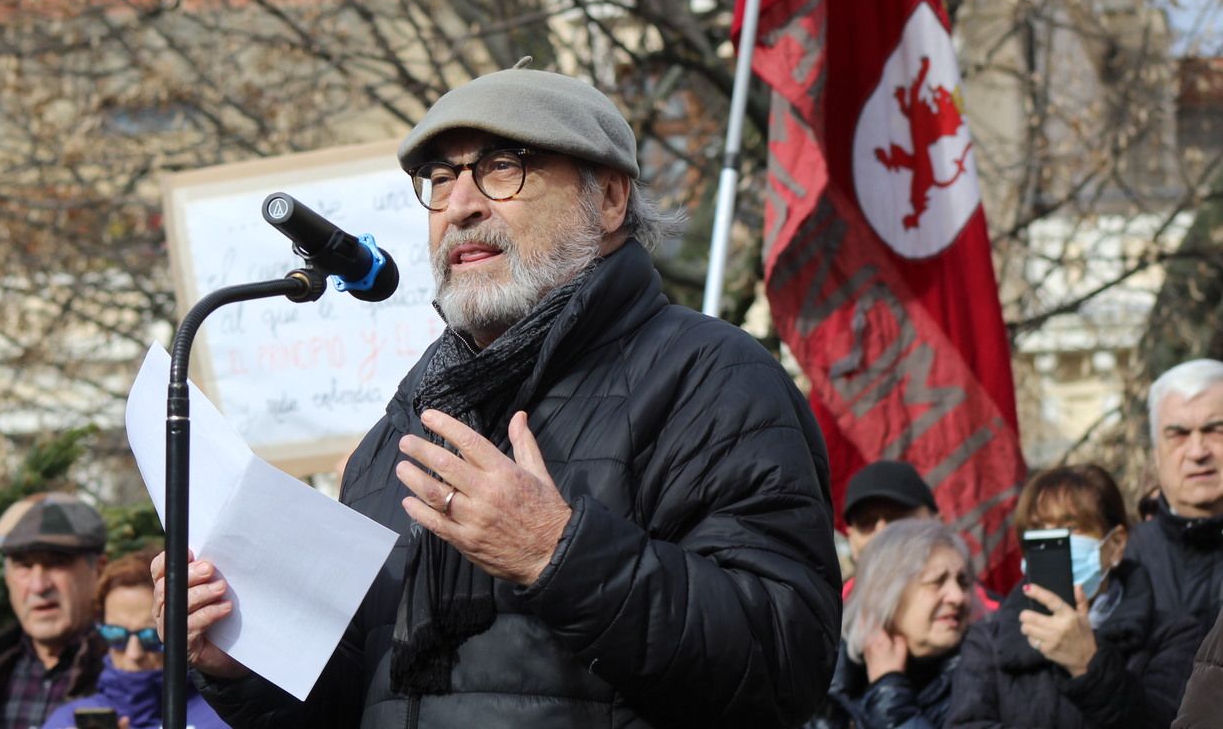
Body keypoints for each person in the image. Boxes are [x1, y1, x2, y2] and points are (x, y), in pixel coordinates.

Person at [159, 64, 842, 727]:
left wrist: (557, 553)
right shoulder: (398, 434)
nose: (460, 205)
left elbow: (787, 666)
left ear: (608, 199)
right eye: (442, 177)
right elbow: (363, 702)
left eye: (503, 167)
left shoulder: (714, 379)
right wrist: (240, 666)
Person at [946, 464, 1201, 728]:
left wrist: (1088, 664)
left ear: (1115, 544)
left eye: (1071, 527)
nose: (1053, 540)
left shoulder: (1172, 636)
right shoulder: (989, 639)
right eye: (1038, 529)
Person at [809, 518, 978, 729]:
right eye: (937, 581)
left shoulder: (983, 677)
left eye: (963, 582)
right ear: (885, 592)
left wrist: (889, 692)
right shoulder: (824, 678)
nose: (958, 597)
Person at [0, 491, 111, 729]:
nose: (38, 586)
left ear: (99, 569)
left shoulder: (131, 661)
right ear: (7, 577)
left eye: (56, 563)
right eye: (24, 565)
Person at [40, 548, 229, 729]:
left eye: (151, 637)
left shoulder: (227, 716)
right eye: (116, 635)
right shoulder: (67, 721)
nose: (133, 654)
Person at [1127, 359, 1223, 627]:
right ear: (1156, 454)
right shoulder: (1123, 562)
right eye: (1178, 435)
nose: (1197, 452)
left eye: (1215, 430)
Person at [841, 460, 999, 612]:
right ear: (851, 539)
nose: (883, 532)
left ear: (939, 524)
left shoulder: (1000, 623)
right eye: (866, 522)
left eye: (898, 517)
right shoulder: (825, 624)